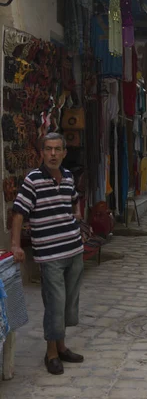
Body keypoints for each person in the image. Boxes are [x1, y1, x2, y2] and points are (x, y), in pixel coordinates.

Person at [11, 133, 84, 376]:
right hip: (49, 253)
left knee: (68, 303)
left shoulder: (68, 177)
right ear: (42, 153)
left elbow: (75, 201)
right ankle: (51, 353)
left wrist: (78, 222)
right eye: (48, 149)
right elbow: (19, 212)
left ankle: (61, 346)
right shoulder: (33, 180)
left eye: (57, 149)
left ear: (64, 152)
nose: (53, 154)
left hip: (73, 249)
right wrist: (16, 245)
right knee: (55, 303)